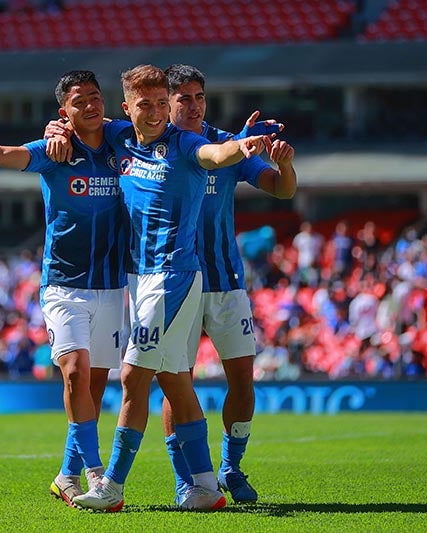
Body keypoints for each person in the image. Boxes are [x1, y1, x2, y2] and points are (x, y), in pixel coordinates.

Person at [57, 65, 270, 512]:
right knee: (175, 383)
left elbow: (215, 155)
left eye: (160, 104)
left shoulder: (185, 143)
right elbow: (84, 124)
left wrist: (240, 147)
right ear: (127, 108)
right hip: (138, 279)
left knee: (134, 375)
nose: (155, 113)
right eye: (146, 104)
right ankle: (206, 488)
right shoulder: (120, 139)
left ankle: (111, 485)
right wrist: (58, 128)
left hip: (173, 274)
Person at [0, 70, 126, 507]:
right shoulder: (55, 152)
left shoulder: (122, 140)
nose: (91, 105)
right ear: (64, 112)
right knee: (73, 373)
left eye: (96, 97)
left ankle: (65, 476)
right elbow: (2, 154)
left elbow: (159, 124)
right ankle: (97, 476)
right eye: (80, 101)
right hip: (64, 283)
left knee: (92, 389)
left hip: (113, 285)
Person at [160, 63, 296, 505]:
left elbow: (281, 190)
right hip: (175, 283)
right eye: (185, 98)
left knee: (242, 378)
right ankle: (187, 479)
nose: (194, 105)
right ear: (168, 102)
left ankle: (231, 468)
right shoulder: (150, 146)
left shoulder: (228, 144)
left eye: (199, 96)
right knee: (176, 382)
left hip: (225, 281)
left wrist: (285, 165)